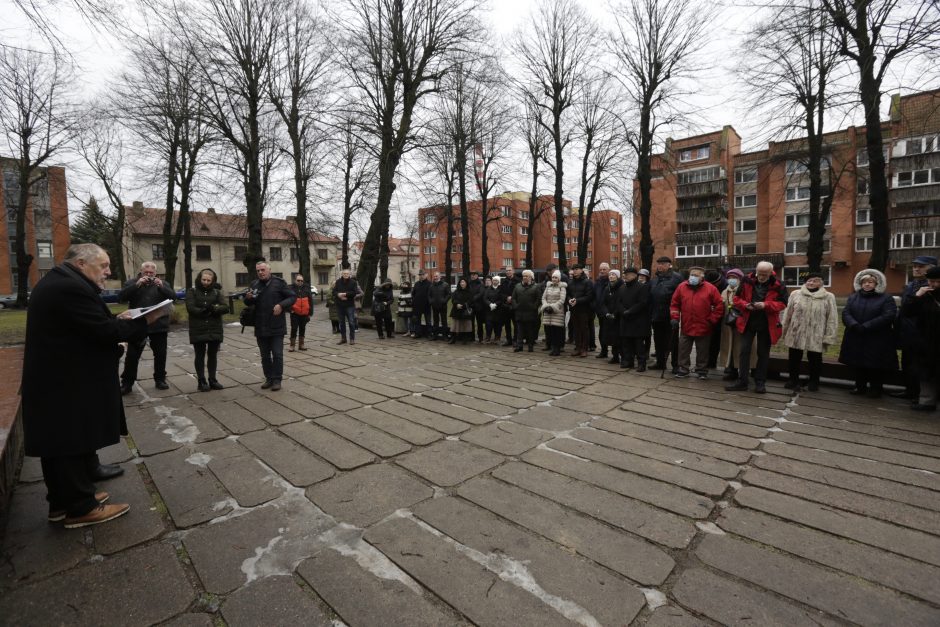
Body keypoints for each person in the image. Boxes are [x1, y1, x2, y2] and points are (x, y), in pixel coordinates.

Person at [23, 243, 167, 527]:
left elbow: (85, 325)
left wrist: (117, 319)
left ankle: (62, 503)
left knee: (62, 443)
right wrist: (146, 321)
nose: (108, 271)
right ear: (80, 264)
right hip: (64, 382)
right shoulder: (69, 288)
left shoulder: (62, 282)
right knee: (69, 441)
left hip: (58, 379)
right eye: (103, 266)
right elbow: (102, 332)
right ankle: (81, 507)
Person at [725, 262, 788, 394]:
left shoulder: (778, 284)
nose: (761, 277)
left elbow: (782, 304)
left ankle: (760, 383)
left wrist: (766, 305)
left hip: (767, 323)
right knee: (744, 351)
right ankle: (742, 381)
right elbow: (736, 298)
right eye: (759, 274)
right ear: (756, 271)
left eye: (765, 275)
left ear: (771, 273)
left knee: (763, 354)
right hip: (747, 321)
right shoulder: (746, 280)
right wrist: (745, 305)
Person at [119, 261, 177, 394]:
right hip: (137, 325)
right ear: (141, 272)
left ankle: (160, 379)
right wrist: (137, 285)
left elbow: (174, 297)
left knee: (160, 354)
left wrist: (162, 287)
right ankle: (127, 382)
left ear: (155, 273)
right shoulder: (133, 282)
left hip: (159, 325)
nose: (149, 275)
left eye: (152, 273)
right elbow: (121, 298)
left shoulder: (162, 283)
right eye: (146, 273)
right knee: (132, 355)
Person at [838, 269, 898, 398]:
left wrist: (867, 326)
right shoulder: (853, 297)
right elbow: (846, 313)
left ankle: (876, 389)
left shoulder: (886, 298)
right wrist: (853, 324)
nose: (867, 284)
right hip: (856, 335)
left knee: (876, 364)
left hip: (877, 338)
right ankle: (860, 386)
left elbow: (889, 315)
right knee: (858, 362)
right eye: (864, 282)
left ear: (877, 284)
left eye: (871, 282)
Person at [779, 273, 838, 392]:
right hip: (796, 332)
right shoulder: (796, 294)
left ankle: (814, 382)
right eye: (809, 281)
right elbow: (788, 313)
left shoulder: (828, 296)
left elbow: (832, 317)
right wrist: (784, 330)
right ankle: (793, 380)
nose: (811, 283)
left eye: (815, 281)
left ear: (821, 283)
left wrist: (829, 336)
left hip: (816, 334)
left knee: (815, 359)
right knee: (794, 357)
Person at [246, 261, 296, 391]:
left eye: (263, 270)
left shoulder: (279, 283)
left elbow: (292, 297)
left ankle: (277, 380)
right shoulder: (254, 284)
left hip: (276, 326)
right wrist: (248, 298)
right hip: (260, 325)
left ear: (269, 270)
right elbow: (248, 302)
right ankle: (268, 378)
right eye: (258, 271)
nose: (260, 272)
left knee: (277, 354)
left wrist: (281, 305)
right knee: (265, 356)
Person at [893, 255, 937, 400]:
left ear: (932, 267)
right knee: (906, 363)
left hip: (922, 334)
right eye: (915, 266)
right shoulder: (911, 285)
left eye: (921, 266)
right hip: (906, 333)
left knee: (919, 366)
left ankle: (920, 395)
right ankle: (909, 391)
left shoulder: (932, 286)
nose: (916, 269)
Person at [670, 266, 723, 379]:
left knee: (703, 350)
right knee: (683, 349)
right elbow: (675, 303)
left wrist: (712, 319)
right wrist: (675, 317)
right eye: (691, 275)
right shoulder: (681, 287)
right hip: (686, 324)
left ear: (702, 277)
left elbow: (719, 306)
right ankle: (683, 369)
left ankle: (702, 370)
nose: (693, 277)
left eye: (696, 275)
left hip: (704, 325)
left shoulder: (711, 288)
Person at [902, 265, 940, 411]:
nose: (934, 285)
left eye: (937, 281)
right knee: (926, 372)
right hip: (927, 340)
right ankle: (926, 402)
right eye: (931, 281)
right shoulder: (924, 295)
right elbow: (906, 312)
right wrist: (917, 295)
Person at [185, 268, 229, 392]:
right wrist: (203, 311)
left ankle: (212, 379)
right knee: (199, 354)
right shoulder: (192, 291)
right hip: (198, 328)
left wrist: (214, 309)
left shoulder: (217, 292)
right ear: (200, 278)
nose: (206, 282)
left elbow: (225, 307)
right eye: (204, 279)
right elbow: (190, 307)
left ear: (213, 280)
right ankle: (201, 380)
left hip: (214, 327)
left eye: (208, 280)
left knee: (212, 354)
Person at [716, 269, 755, 382]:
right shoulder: (725, 291)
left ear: (740, 279)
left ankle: (743, 371)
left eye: (735, 278)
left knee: (742, 347)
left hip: (742, 323)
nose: (731, 280)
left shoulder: (745, 290)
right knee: (729, 347)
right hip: (728, 325)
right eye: (730, 277)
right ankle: (731, 369)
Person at [649, 257, 684, 372]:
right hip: (656, 315)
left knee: (673, 342)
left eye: (663, 264)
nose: (660, 266)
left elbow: (681, 297)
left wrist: (677, 314)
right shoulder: (654, 279)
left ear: (669, 265)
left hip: (670, 316)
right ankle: (660, 362)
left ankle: (676, 365)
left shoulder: (677, 278)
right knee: (658, 341)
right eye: (658, 264)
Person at [615, 268, 651, 371]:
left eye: (628, 274)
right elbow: (618, 302)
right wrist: (623, 311)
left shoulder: (642, 287)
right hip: (625, 319)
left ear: (635, 275)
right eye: (625, 274)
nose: (625, 276)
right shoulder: (622, 287)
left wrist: (630, 311)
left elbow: (642, 302)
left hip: (638, 320)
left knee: (639, 344)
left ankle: (641, 363)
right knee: (626, 343)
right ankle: (628, 361)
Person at [567, 264, 595, 357]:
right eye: (573, 269)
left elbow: (590, 296)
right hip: (574, 309)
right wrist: (569, 300)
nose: (575, 271)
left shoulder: (587, 282)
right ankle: (577, 347)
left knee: (584, 329)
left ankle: (584, 349)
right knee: (576, 329)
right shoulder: (570, 282)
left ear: (581, 270)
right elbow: (568, 294)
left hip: (584, 309)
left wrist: (577, 301)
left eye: (577, 269)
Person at [512, 269, 541, 352]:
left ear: (531, 277)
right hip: (519, 312)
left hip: (531, 313)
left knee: (530, 330)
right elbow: (513, 298)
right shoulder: (517, 286)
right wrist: (515, 306)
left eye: (526, 276)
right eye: (523, 276)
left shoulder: (536, 286)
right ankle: (519, 346)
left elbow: (538, 299)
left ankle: (530, 346)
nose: (524, 277)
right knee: (519, 330)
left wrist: (534, 307)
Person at [540, 270, 567, 356]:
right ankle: (552, 348)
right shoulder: (548, 286)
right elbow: (543, 298)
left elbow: (562, 300)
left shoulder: (562, 287)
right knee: (550, 331)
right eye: (553, 277)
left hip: (557, 312)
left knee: (557, 332)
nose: (554, 279)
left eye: (556, 277)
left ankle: (557, 349)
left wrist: (553, 307)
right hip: (548, 311)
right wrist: (546, 306)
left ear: (559, 279)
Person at [704, 268, 727, 369]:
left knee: (717, 340)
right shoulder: (710, 285)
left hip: (724, 317)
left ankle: (715, 361)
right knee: (711, 340)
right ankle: (710, 361)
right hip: (711, 316)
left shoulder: (725, 286)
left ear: (718, 281)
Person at [332, 268, 359, 345]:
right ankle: (343, 338)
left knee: (351, 322)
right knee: (341, 323)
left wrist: (345, 294)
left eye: (347, 273)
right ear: (342, 274)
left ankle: (352, 339)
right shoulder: (338, 282)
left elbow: (354, 292)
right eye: (344, 273)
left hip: (349, 305)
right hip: (340, 305)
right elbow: (334, 292)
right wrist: (338, 295)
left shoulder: (353, 282)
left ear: (349, 274)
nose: (346, 275)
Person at [601, 270, 624, 364]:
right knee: (612, 338)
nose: (611, 276)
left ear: (617, 276)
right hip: (609, 317)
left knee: (620, 338)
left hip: (618, 317)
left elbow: (621, 302)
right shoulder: (607, 288)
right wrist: (606, 313)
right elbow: (603, 303)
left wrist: (615, 313)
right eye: (610, 274)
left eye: (613, 274)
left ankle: (624, 357)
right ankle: (615, 356)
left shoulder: (622, 287)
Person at [288, 274, 313, 352]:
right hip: (295, 313)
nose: (300, 282)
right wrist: (290, 309)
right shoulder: (290, 288)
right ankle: (292, 345)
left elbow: (310, 300)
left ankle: (301, 344)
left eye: (301, 280)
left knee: (302, 328)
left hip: (304, 313)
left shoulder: (306, 288)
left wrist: (310, 312)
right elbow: (287, 300)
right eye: (298, 280)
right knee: (294, 328)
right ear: (295, 280)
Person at [594, 263, 612, 359]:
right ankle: (603, 351)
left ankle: (616, 353)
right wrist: (595, 307)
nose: (602, 271)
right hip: (600, 312)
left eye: (604, 269)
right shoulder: (597, 282)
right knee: (602, 333)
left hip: (610, 312)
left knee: (611, 333)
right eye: (600, 269)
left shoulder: (612, 281)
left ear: (609, 270)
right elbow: (594, 295)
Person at [497, 267, 519, 346]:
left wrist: (512, 298)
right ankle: (508, 340)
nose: (508, 272)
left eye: (509, 270)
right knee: (507, 324)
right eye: (507, 271)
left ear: (513, 271)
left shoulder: (518, 281)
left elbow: (519, 292)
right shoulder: (503, 281)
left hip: (515, 306)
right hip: (505, 306)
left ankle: (516, 340)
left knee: (516, 324)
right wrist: (506, 297)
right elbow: (500, 293)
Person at [449, 278, 474, 344]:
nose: (462, 283)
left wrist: (463, 305)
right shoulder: (456, 291)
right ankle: (453, 338)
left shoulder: (470, 291)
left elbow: (470, 301)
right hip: (456, 310)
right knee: (455, 325)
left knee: (465, 325)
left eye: (463, 282)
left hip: (465, 310)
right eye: (461, 282)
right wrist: (456, 304)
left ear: (466, 283)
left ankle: (465, 339)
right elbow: (453, 299)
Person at [429, 272, 451, 340]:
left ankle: (445, 335)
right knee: (435, 321)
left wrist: (444, 301)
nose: (435, 277)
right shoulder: (431, 285)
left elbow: (449, 294)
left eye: (436, 276)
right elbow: (429, 295)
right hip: (434, 306)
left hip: (443, 306)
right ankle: (435, 335)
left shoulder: (445, 284)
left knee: (444, 321)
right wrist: (431, 301)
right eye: (434, 276)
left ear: (440, 276)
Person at [411, 269, 432, 338]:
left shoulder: (429, 283)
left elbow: (431, 294)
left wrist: (429, 302)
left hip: (426, 305)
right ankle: (418, 333)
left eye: (423, 275)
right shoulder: (416, 284)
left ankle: (429, 334)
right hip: (417, 305)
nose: (421, 276)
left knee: (428, 321)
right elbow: (413, 293)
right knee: (417, 321)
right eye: (420, 275)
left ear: (426, 275)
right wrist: (414, 301)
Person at [468, 271, 486, 343]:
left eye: (474, 275)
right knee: (471, 322)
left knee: (479, 323)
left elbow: (481, 293)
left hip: (479, 306)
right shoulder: (469, 283)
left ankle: (480, 337)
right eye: (471, 275)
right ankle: (472, 337)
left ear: (477, 276)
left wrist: (473, 298)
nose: (472, 276)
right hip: (471, 306)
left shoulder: (481, 283)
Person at [484, 276, 502, 344]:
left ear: (498, 281)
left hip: (498, 310)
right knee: (488, 324)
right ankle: (488, 337)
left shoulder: (501, 289)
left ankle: (497, 337)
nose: (495, 282)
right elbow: (485, 298)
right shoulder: (488, 289)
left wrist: (495, 304)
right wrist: (490, 304)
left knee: (497, 324)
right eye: (494, 280)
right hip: (489, 310)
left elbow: (501, 299)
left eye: (496, 280)